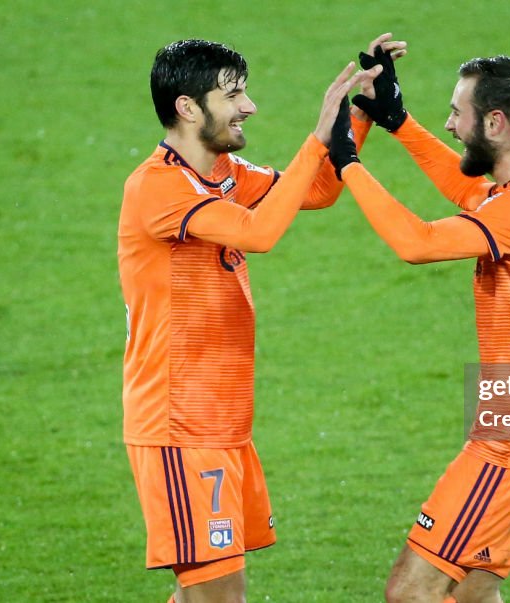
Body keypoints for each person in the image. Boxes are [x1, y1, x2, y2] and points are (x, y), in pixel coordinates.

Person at [118, 39, 387, 603]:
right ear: (188, 108)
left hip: (224, 421)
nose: (250, 106)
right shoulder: (157, 186)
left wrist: (357, 115)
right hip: (180, 427)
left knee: (203, 596)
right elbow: (258, 234)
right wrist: (318, 136)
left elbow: (315, 189)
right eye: (233, 94)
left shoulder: (224, 171)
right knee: (220, 597)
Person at [328, 41, 510, 603]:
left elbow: (417, 242)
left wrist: (347, 162)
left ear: (494, 122)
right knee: (473, 593)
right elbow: (471, 189)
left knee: (413, 591)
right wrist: (398, 122)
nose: (450, 124)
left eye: (458, 113)